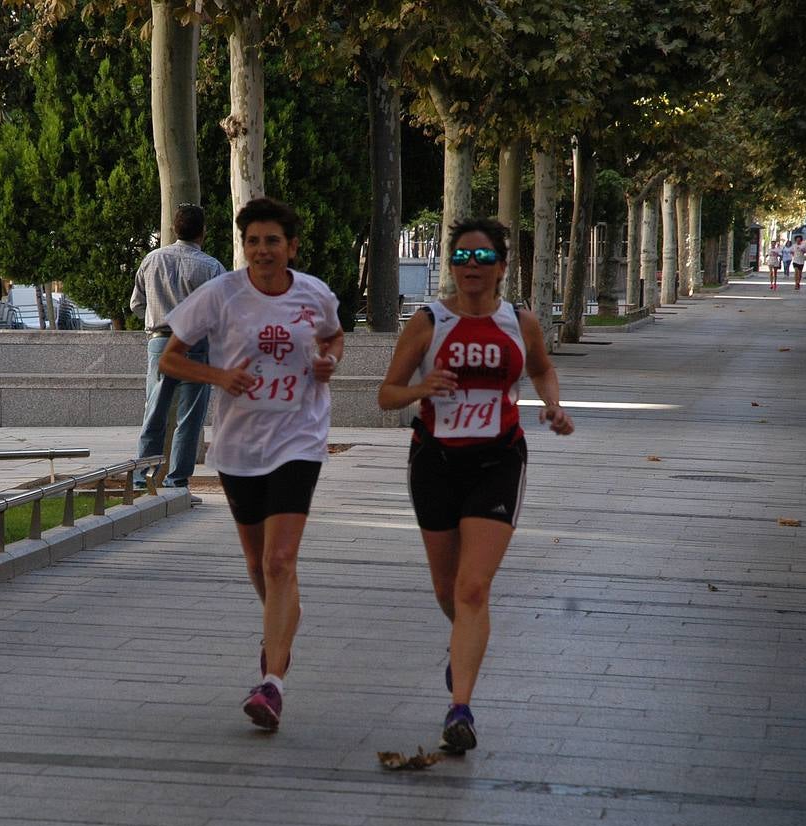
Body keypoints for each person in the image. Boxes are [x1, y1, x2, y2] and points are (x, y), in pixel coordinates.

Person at [377, 218, 574, 752]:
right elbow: (387, 395)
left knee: (472, 587)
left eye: (483, 259)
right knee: (448, 589)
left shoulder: (520, 321)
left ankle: (460, 708)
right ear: (451, 266)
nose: (471, 267)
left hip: (498, 459)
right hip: (435, 460)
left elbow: (541, 369)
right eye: (461, 257)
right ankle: (464, 641)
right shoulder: (427, 322)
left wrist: (553, 405)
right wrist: (423, 385)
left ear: (502, 268)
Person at [157, 197, 344, 731]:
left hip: (300, 437)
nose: (261, 251)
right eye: (252, 241)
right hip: (240, 446)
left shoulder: (314, 294)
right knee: (260, 565)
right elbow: (171, 357)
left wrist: (329, 362)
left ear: (292, 247)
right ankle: (280, 626)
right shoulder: (221, 294)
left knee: (280, 561)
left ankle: (272, 682)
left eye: (272, 241)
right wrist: (221, 378)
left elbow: (334, 335)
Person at [130, 204, 226, 494]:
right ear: (203, 231)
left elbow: (136, 305)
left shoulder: (151, 260)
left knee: (154, 414)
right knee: (190, 418)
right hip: (196, 347)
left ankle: (141, 480)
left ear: (174, 229)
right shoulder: (211, 267)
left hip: (159, 344)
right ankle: (177, 482)